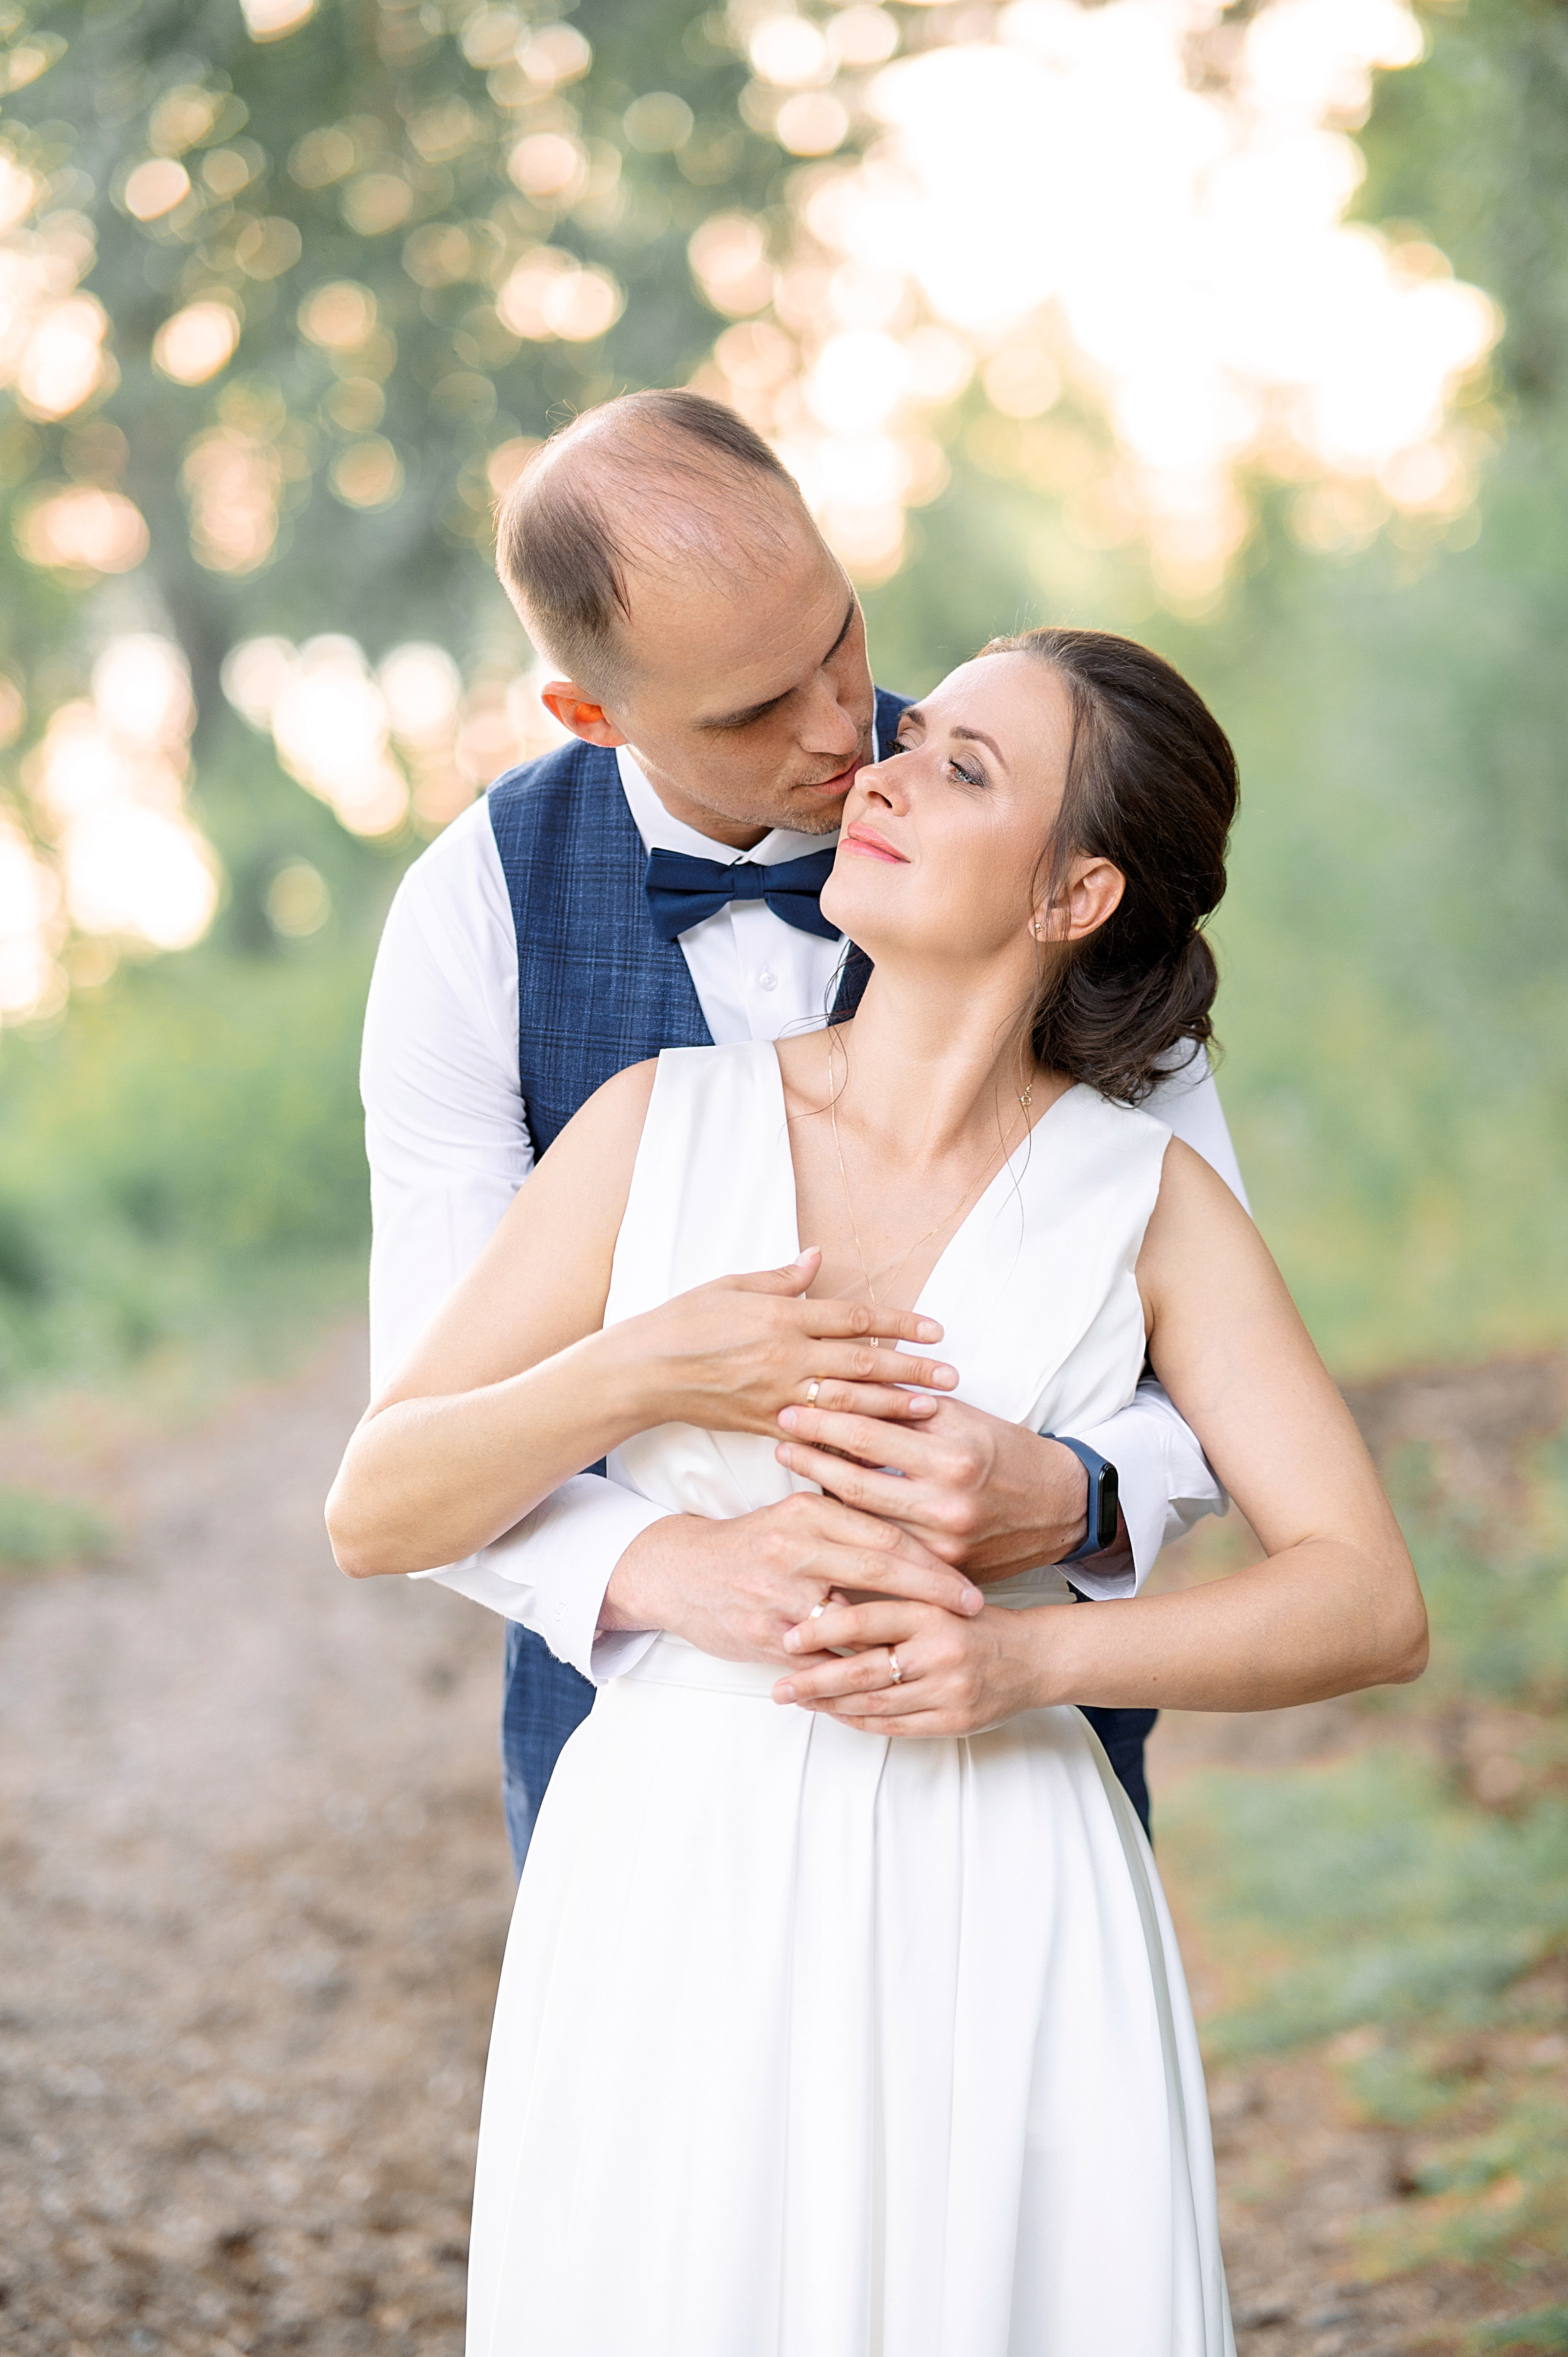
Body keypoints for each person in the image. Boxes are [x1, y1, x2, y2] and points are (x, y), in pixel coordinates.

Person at [328, 626, 1427, 2353]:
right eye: (919, 743)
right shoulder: (649, 1123)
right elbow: (377, 1502)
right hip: (672, 1868)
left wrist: (1026, 1664)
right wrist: (653, 1368)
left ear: (1074, 897)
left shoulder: (1150, 1200)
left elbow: (1369, 1595)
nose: (885, 766)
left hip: (1007, 1876)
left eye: (963, 766)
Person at [357, 389, 1246, 1865]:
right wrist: (670, 1566)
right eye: (753, 709)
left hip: (1013, 1764)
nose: (846, 730)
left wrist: (1083, 1493)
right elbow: (432, 1430)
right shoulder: (475, 917)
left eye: (838, 636)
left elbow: (1205, 1300)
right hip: (646, 1759)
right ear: (593, 715)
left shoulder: (1031, 826)